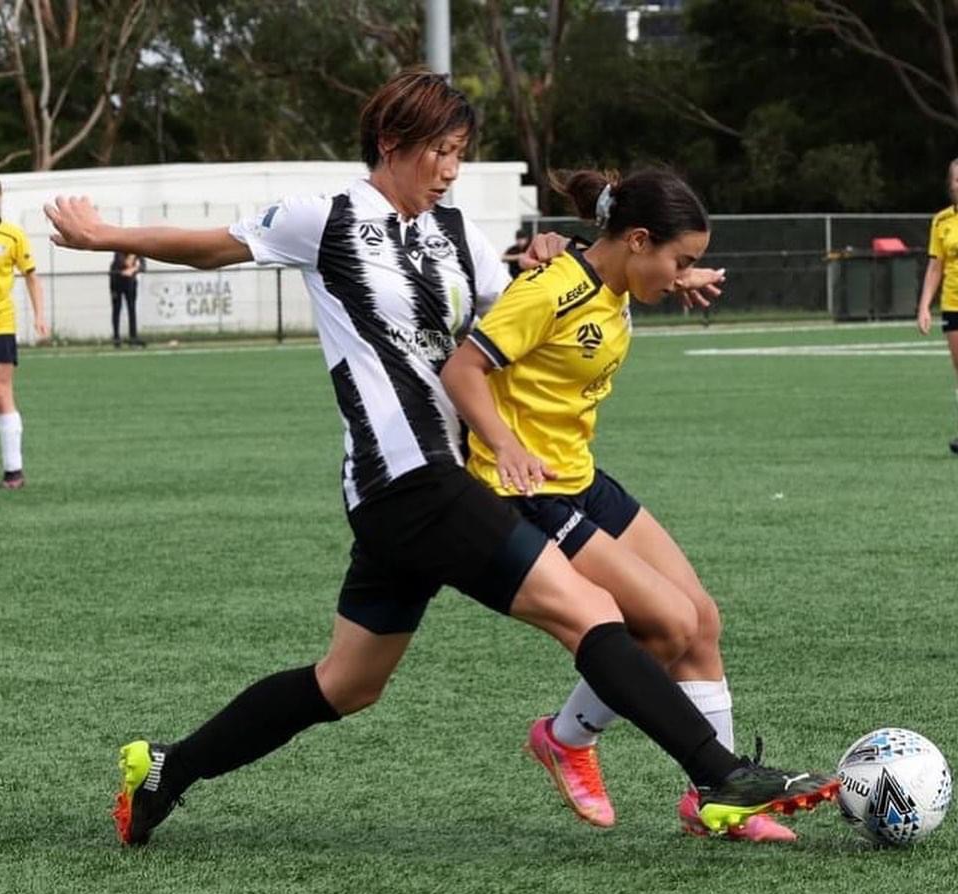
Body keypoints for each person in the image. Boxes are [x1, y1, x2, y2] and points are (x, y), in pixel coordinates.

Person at [45, 68, 837, 848]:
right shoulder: (325, 216)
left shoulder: (457, 236)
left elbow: (537, 301)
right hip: (405, 477)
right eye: (441, 152)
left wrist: (608, 263)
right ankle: (717, 775)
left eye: (461, 152)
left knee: (347, 684)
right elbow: (215, 247)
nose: (452, 171)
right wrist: (103, 236)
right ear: (392, 144)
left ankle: (164, 771)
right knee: (588, 612)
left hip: (438, 486)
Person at [442, 168, 798, 843]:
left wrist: (677, 278)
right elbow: (461, 370)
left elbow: (608, 273)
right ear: (638, 239)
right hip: (531, 490)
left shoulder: (614, 279)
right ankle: (563, 738)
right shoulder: (552, 289)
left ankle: (716, 803)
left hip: (582, 478)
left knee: (703, 620)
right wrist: (505, 445)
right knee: (666, 625)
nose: (683, 274)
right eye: (680, 259)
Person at [0, 178, 48, 490]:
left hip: (1, 324)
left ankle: (14, 470)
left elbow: (32, 277)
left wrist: (40, 314)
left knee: (1, 392)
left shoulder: (12, 235)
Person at [917, 156, 958, 455]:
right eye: (957, 180)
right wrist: (923, 307)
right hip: (953, 303)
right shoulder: (941, 221)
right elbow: (935, 267)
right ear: (950, 185)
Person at [109, 251, 145, 347]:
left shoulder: (137, 251)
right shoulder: (119, 250)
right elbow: (123, 263)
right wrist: (132, 259)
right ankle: (116, 338)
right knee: (117, 309)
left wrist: (134, 269)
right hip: (116, 281)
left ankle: (133, 337)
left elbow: (143, 266)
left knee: (132, 309)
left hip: (130, 282)